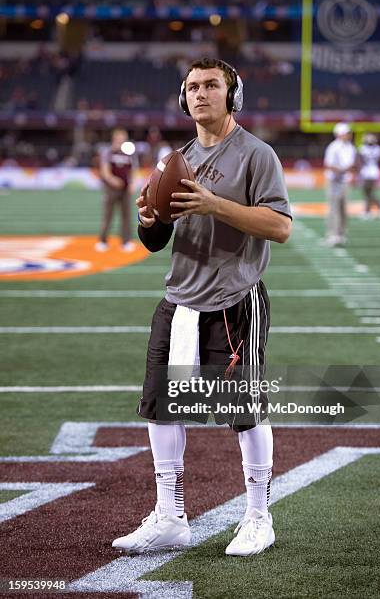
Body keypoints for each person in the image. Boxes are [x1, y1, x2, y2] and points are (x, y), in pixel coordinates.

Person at [112, 58, 292, 557]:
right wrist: (149, 219)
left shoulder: (257, 155)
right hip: (178, 300)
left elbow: (279, 226)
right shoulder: (177, 159)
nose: (201, 93)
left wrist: (216, 205)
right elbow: (156, 240)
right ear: (182, 98)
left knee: (244, 412)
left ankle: (259, 516)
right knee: (161, 409)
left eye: (212, 85)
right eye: (192, 86)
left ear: (233, 96)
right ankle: (169, 516)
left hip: (234, 300)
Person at [95, 128, 138, 252]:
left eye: (123, 137)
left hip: (125, 189)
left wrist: (132, 183)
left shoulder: (129, 152)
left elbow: (133, 169)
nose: (121, 140)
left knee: (126, 216)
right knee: (108, 215)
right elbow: (104, 170)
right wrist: (112, 180)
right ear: (114, 138)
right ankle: (103, 241)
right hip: (111, 189)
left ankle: (126, 241)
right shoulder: (108, 151)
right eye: (119, 137)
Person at [323, 122, 357, 246]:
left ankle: (341, 234)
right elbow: (329, 165)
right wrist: (343, 170)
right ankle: (332, 234)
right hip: (334, 181)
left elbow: (352, 165)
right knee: (334, 208)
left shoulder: (351, 147)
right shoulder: (333, 147)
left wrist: (350, 173)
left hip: (345, 181)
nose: (349, 135)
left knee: (343, 209)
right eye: (346, 133)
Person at [358, 133, 380, 218]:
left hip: (369, 172)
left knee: (367, 192)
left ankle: (368, 210)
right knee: (368, 192)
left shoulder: (363, 149)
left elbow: (359, 161)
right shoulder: (378, 149)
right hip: (372, 171)